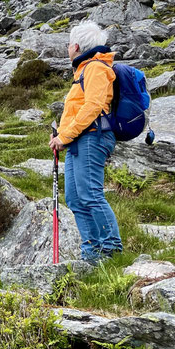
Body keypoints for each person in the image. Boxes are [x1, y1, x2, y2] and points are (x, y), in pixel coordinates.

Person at [49, 20, 122, 265]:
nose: (68, 47)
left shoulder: (95, 68)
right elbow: (77, 109)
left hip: (93, 137)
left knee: (90, 194)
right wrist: (61, 134)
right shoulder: (82, 70)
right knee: (75, 198)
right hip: (78, 140)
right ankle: (91, 252)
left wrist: (64, 136)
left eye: (69, 43)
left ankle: (111, 249)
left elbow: (92, 107)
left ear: (77, 46)